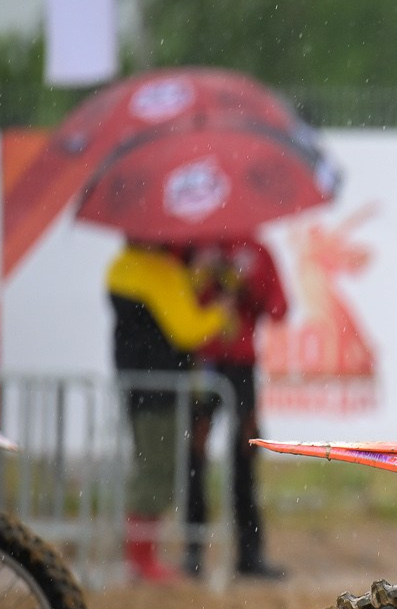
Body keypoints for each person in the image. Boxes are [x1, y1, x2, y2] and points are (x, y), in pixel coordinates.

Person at [107, 242, 235, 584]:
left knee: (150, 468)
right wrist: (220, 311)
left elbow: (161, 310)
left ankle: (140, 557)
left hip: (140, 387)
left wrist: (192, 278)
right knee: (156, 471)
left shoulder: (123, 266)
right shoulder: (159, 269)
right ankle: (141, 560)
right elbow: (185, 328)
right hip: (160, 391)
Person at [184, 239, 289, 579]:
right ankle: (192, 550)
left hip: (241, 367)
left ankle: (249, 553)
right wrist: (204, 277)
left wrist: (245, 286)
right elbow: (176, 303)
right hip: (204, 361)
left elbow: (278, 308)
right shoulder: (190, 246)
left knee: (245, 455)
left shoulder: (257, 250)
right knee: (193, 456)